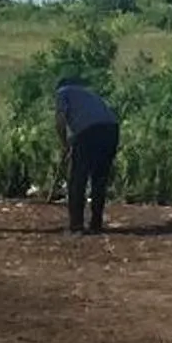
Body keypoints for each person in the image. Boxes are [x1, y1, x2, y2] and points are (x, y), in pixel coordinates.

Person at [53, 75, 120, 234]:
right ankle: (96, 224)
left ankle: (76, 225)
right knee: (99, 178)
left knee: (77, 178)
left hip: (89, 132)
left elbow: (60, 119)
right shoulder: (88, 94)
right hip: (112, 130)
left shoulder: (62, 92)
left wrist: (63, 143)